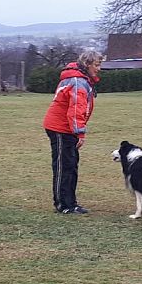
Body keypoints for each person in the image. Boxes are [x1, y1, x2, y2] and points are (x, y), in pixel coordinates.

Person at [43, 50, 103, 213]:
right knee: (63, 166)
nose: (99, 68)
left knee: (71, 165)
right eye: (97, 65)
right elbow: (76, 109)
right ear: (87, 64)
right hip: (61, 128)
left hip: (66, 127)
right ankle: (63, 204)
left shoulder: (81, 79)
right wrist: (80, 133)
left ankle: (71, 202)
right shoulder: (78, 81)